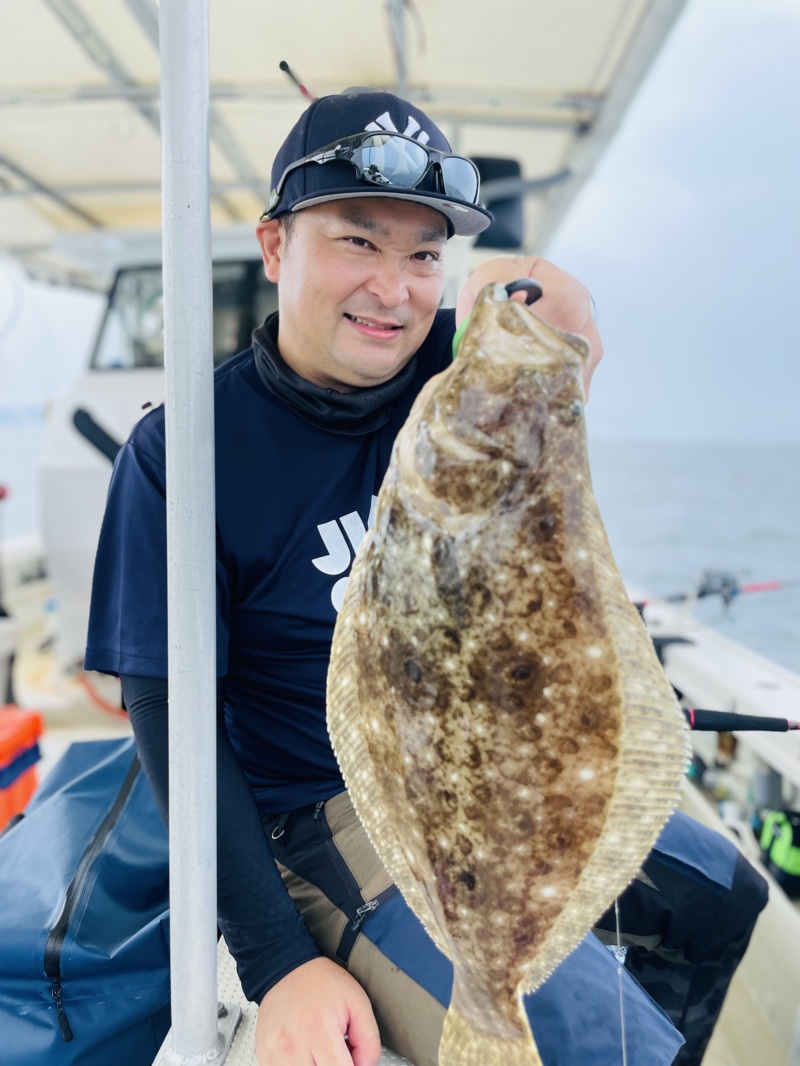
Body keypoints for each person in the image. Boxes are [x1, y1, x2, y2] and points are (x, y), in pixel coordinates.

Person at [85, 88, 767, 1066]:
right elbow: (169, 717)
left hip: (494, 766)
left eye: (423, 255)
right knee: (587, 1046)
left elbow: (563, 325)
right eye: (357, 241)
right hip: (320, 813)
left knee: (726, 896)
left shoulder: (460, 376)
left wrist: (525, 293)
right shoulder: (183, 451)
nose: (392, 289)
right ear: (274, 247)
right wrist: (278, 961)